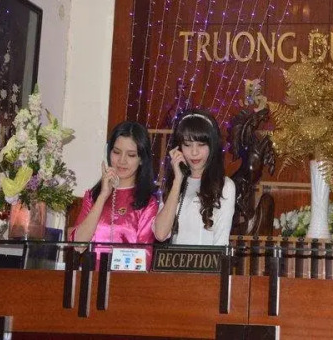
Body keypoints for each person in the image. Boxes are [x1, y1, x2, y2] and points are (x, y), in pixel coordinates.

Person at [70, 121, 159, 264]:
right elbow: (78, 245)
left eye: (131, 155)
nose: (122, 161)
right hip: (91, 275)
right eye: (116, 152)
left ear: (142, 159)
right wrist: (103, 196)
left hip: (125, 277)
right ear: (108, 152)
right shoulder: (93, 196)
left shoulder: (147, 203)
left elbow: (144, 258)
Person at [153, 109, 235, 245]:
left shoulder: (224, 185)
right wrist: (177, 181)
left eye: (201, 145)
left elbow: (221, 241)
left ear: (212, 146)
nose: (194, 152)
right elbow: (161, 234)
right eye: (187, 145)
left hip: (209, 259)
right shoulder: (173, 184)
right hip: (175, 258)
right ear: (178, 148)